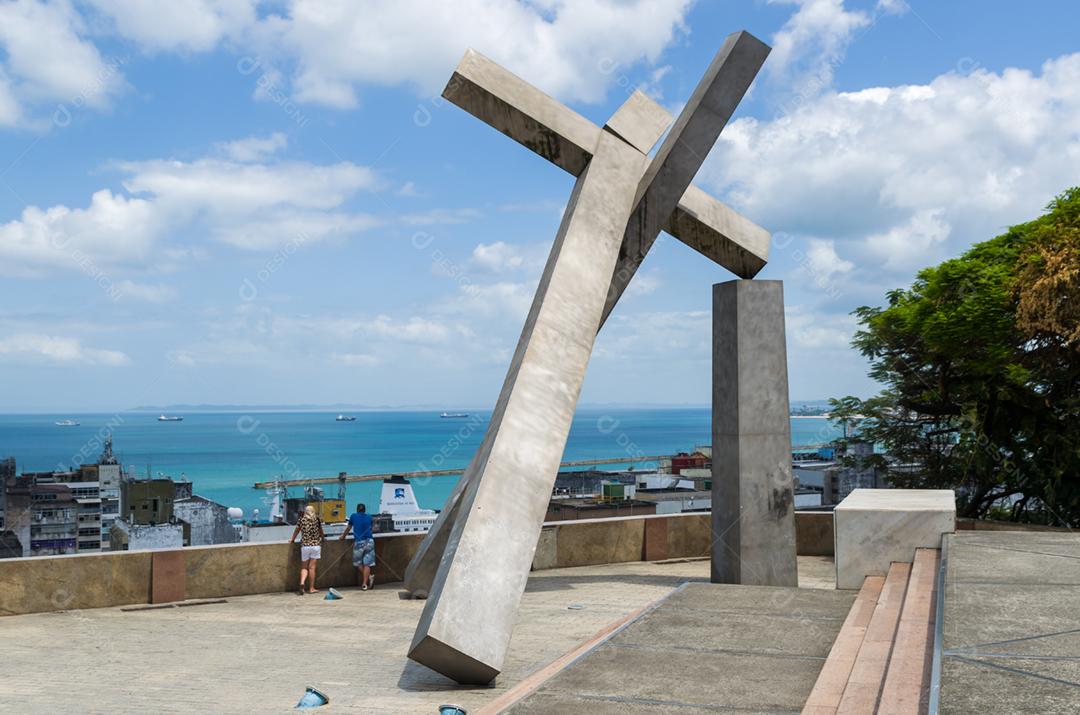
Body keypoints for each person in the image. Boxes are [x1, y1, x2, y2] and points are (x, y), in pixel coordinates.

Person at [341, 503, 375, 591]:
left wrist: (343, 536)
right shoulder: (369, 517)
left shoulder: (353, 516)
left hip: (359, 542)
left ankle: (366, 582)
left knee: (358, 563)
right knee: (367, 563)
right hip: (370, 541)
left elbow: (348, 528)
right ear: (364, 510)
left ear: (357, 510)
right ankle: (365, 582)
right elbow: (371, 528)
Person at [290, 504, 324, 594]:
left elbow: (297, 530)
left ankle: (302, 583)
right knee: (312, 568)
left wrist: (292, 539)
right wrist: (323, 538)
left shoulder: (301, 520)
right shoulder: (317, 519)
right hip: (316, 546)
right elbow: (321, 531)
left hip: (305, 546)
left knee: (304, 567)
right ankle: (312, 588)